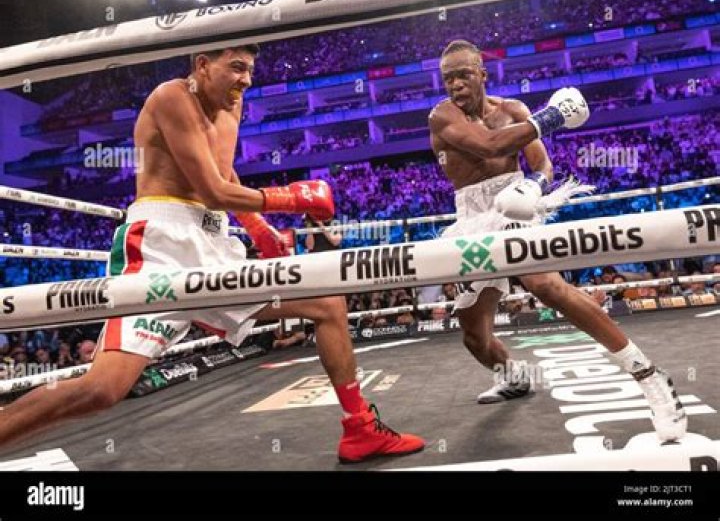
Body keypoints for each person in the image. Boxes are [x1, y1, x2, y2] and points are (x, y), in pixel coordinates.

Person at [0, 45, 424, 463]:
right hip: (161, 247)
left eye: (251, 70)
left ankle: (360, 429)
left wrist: (258, 228)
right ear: (203, 65)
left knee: (327, 302)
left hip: (215, 245)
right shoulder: (171, 97)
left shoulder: (231, 105)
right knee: (101, 390)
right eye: (237, 67)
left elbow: (223, 173)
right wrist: (292, 198)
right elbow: (212, 190)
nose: (246, 80)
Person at [428, 40, 685, 442]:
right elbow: (489, 145)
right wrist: (554, 116)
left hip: (516, 207)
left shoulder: (513, 110)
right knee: (475, 337)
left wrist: (534, 184)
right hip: (472, 220)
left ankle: (648, 374)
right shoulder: (442, 115)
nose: (455, 85)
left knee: (543, 284)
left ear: (482, 73)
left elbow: (542, 163)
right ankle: (515, 376)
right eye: (448, 79)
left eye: (463, 75)